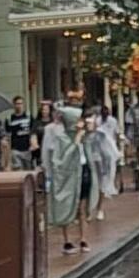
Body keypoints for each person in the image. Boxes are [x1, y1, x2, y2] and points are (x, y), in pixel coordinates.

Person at [44, 103, 88, 254]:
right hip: (69, 177)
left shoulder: (83, 136)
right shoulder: (61, 138)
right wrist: (76, 142)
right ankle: (67, 241)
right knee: (67, 205)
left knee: (82, 207)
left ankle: (83, 239)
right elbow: (61, 161)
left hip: (83, 172)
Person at [85, 105, 121, 223]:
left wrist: (107, 165)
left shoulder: (101, 135)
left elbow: (108, 151)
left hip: (99, 164)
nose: (88, 125)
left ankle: (99, 209)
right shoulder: (83, 136)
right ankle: (88, 211)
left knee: (101, 186)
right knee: (88, 187)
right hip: (87, 164)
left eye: (91, 122)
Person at [5, 96, 34, 170]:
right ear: (14, 105)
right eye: (17, 104)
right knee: (18, 170)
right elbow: (7, 136)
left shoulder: (29, 117)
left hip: (27, 149)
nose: (19, 106)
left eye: (21, 103)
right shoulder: (9, 119)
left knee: (28, 170)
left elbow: (33, 132)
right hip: (15, 149)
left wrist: (33, 144)